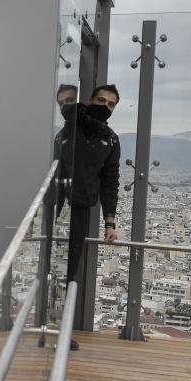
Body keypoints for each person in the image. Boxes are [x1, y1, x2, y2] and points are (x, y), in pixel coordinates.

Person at [54, 84, 121, 285]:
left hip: (82, 209)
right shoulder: (68, 132)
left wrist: (109, 223)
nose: (105, 107)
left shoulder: (111, 140)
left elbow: (110, 182)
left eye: (111, 104)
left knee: (72, 264)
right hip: (56, 208)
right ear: (90, 100)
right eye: (101, 101)